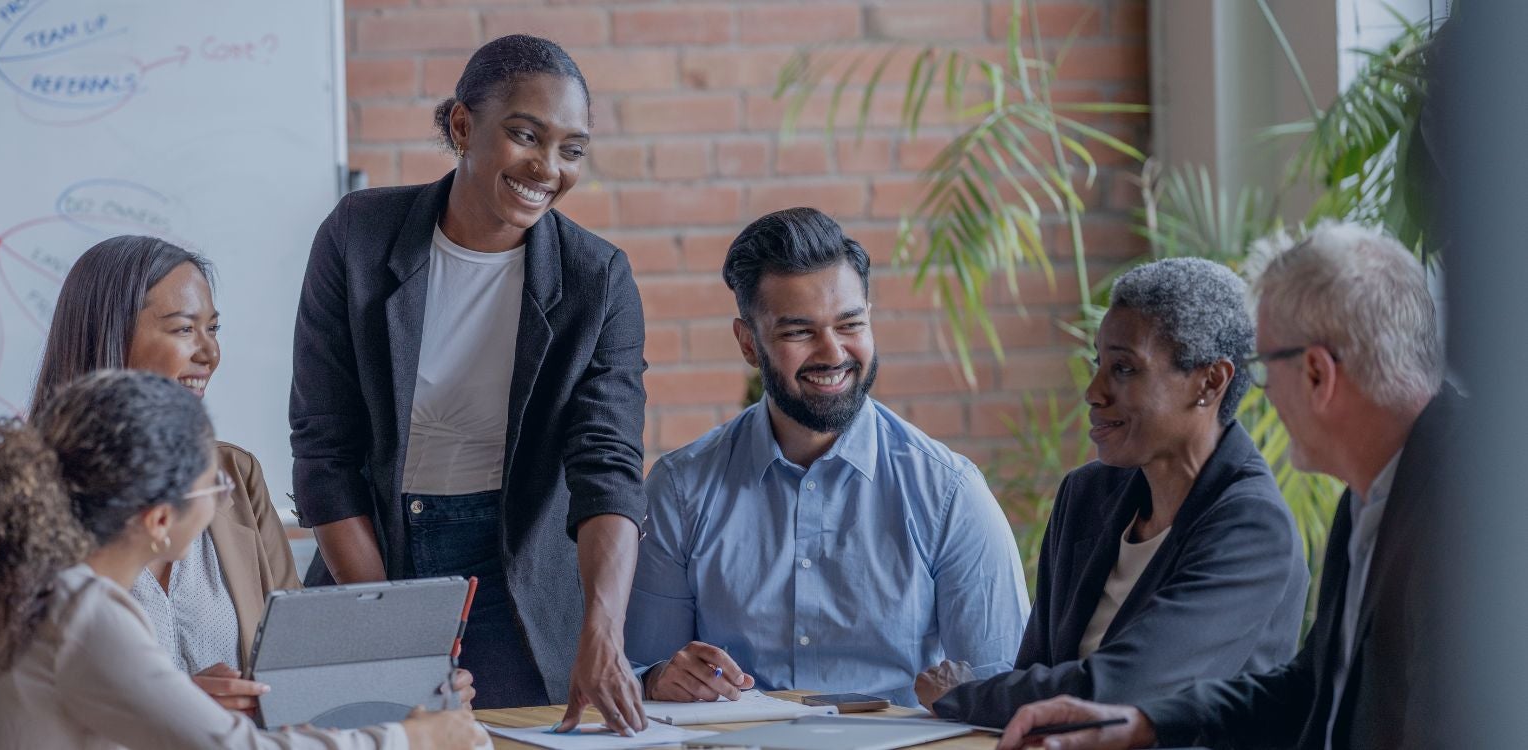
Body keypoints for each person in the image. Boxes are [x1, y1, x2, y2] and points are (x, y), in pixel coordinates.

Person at [290, 34, 647, 726]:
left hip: (513, 573)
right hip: (369, 553)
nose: (547, 167)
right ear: (461, 125)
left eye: (570, 149)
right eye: (525, 135)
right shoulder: (358, 237)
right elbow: (322, 449)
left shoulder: (596, 280)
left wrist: (600, 631)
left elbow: (607, 467)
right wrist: (391, 628)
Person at [997, 222, 1455, 750]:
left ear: (1315, 373)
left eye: (1262, 366)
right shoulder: (1370, 495)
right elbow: (1310, 690)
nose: (1256, 392)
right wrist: (1148, 724)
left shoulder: (1465, 510)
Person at [0, 370, 483, 749]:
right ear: (159, 521)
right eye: (212, 486)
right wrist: (414, 739)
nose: (227, 498)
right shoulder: (80, 611)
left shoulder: (25, 588)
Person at [624, 207, 1029, 708]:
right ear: (749, 343)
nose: (833, 353)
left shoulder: (949, 493)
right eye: (799, 332)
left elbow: (1005, 696)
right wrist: (661, 678)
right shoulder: (681, 489)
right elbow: (642, 671)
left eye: (849, 324)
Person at [914, 258, 1307, 728]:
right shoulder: (1084, 496)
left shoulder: (1253, 528)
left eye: (1124, 368)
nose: (1094, 392)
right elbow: (1035, 672)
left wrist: (967, 695)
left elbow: (1122, 689)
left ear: (1210, 382)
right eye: (1100, 363)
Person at [30, 235, 407, 714]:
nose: (209, 353)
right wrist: (174, 704)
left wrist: (414, 690)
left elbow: (300, 670)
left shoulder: (234, 474)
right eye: (185, 329)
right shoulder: (28, 499)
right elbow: (27, 701)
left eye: (213, 329)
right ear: (110, 335)